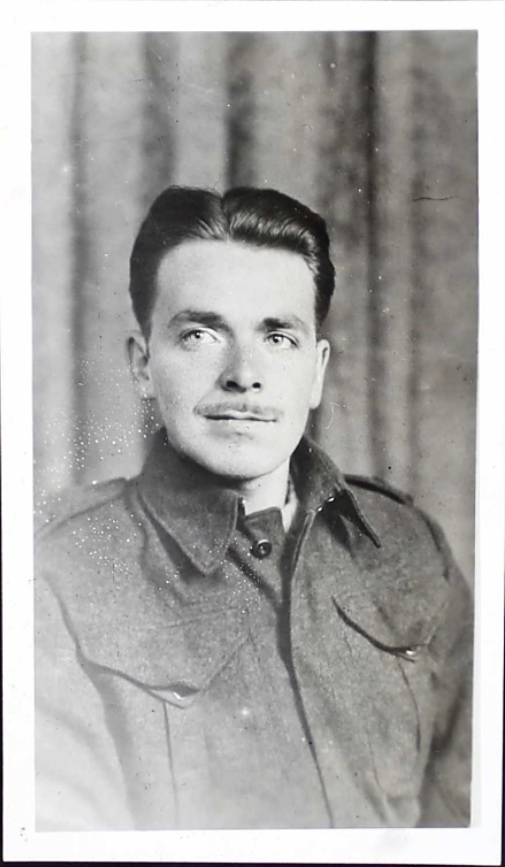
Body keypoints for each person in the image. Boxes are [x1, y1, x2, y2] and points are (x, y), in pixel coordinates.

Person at [35, 186, 473, 831]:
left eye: (279, 337)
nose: (244, 373)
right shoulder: (56, 574)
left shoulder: (409, 545)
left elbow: (465, 818)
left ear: (317, 371)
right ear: (143, 365)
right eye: (200, 334)